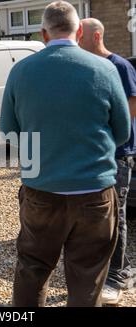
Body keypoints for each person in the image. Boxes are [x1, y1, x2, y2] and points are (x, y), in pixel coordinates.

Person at [0, 1, 131, 307]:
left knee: (32, 270)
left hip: (41, 190)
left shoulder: (21, 71)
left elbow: (8, 131)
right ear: (80, 30)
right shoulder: (105, 69)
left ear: (43, 33)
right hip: (94, 192)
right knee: (88, 276)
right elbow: (123, 131)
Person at [80, 18, 136, 305]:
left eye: (81, 36)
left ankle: (118, 275)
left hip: (118, 154)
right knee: (101, 218)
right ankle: (116, 269)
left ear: (96, 36)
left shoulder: (120, 66)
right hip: (98, 154)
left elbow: (129, 112)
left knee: (118, 215)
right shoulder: (89, 67)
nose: (77, 41)